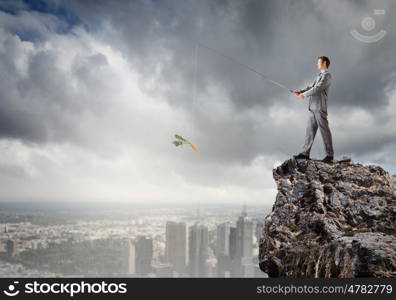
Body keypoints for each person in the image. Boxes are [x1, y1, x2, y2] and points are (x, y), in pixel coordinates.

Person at [293, 56, 334, 163]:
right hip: (312, 107)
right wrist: (300, 91)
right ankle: (305, 153)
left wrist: (304, 95)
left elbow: (318, 88)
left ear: (324, 63)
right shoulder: (318, 76)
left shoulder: (327, 75)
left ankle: (330, 154)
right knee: (310, 130)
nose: (317, 64)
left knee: (324, 130)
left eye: (319, 62)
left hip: (320, 107)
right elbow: (311, 86)